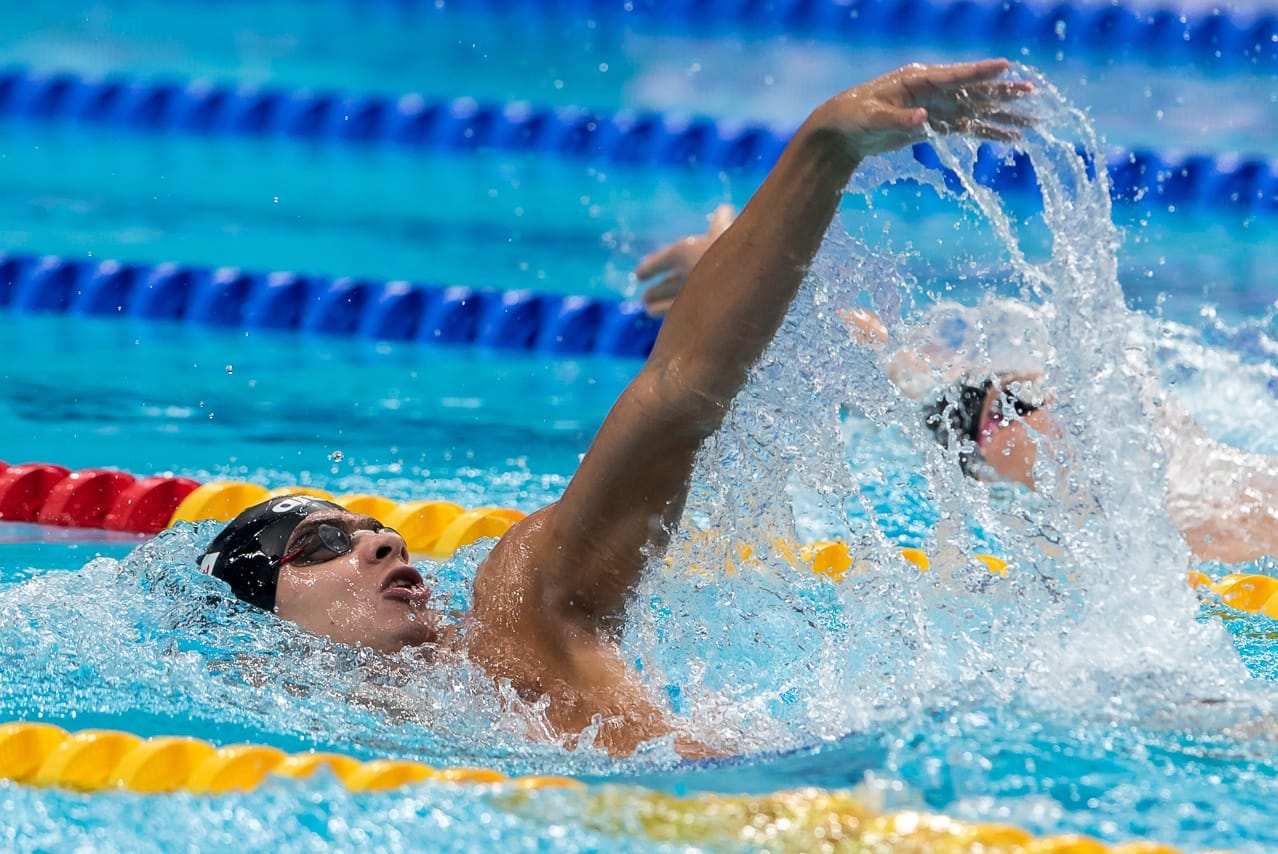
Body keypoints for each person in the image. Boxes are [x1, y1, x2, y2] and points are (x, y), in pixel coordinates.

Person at [198, 60, 1032, 757]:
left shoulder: (517, 614)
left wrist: (824, 147)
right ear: (263, 621)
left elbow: (676, 401)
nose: (382, 536)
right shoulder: (332, 727)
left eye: (366, 529)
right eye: (322, 546)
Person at [636, 206, 1278, 566]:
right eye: (1005, 403)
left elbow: (887, 358)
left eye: (1014, 403)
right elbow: (887, 358)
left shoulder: (1170, 488)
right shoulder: (1150, 472)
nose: (1012, 408)